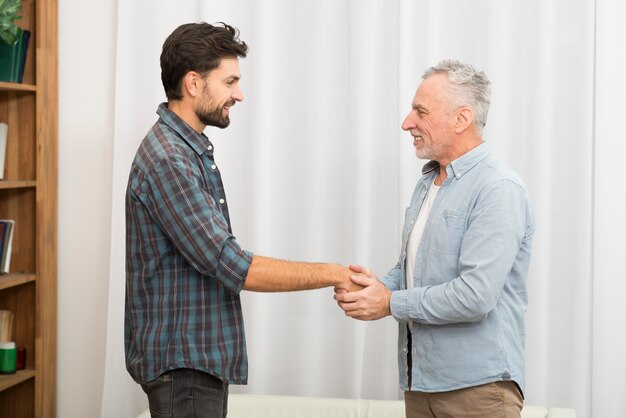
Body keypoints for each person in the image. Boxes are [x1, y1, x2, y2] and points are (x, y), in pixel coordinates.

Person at [125, 22, 360, 418]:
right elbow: (231, 265)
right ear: (194, 83)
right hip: (186, 368)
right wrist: (334, 273)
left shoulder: (185, 151)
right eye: (230, 81)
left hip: (193, 367)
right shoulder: (170, 160)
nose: (239, 93)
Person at [335, 60, 535, 418]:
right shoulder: (428, 183)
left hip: (479, 391)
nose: (407, 123)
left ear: (461, 119)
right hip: (420, 385)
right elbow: (412, 269)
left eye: (420, 112)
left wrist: (389, 302)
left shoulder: (497, 189)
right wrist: (374, 288)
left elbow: (475, 296)